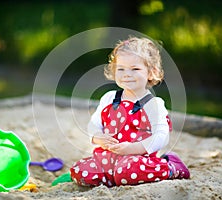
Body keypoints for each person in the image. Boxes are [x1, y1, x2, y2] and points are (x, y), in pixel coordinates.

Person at [70, 36, 190, 187]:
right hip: (109, 158)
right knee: (80, 171)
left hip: (138, 158)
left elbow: (161, 136)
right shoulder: (109, 98)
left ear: (151, 72)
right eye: (121, 69)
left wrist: (133, 148)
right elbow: (94, 124)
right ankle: (112, 178)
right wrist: (98, 137)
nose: (127, 74)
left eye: (135, 69)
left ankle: (171, 167)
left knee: (128, 171)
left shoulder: (153, 104)